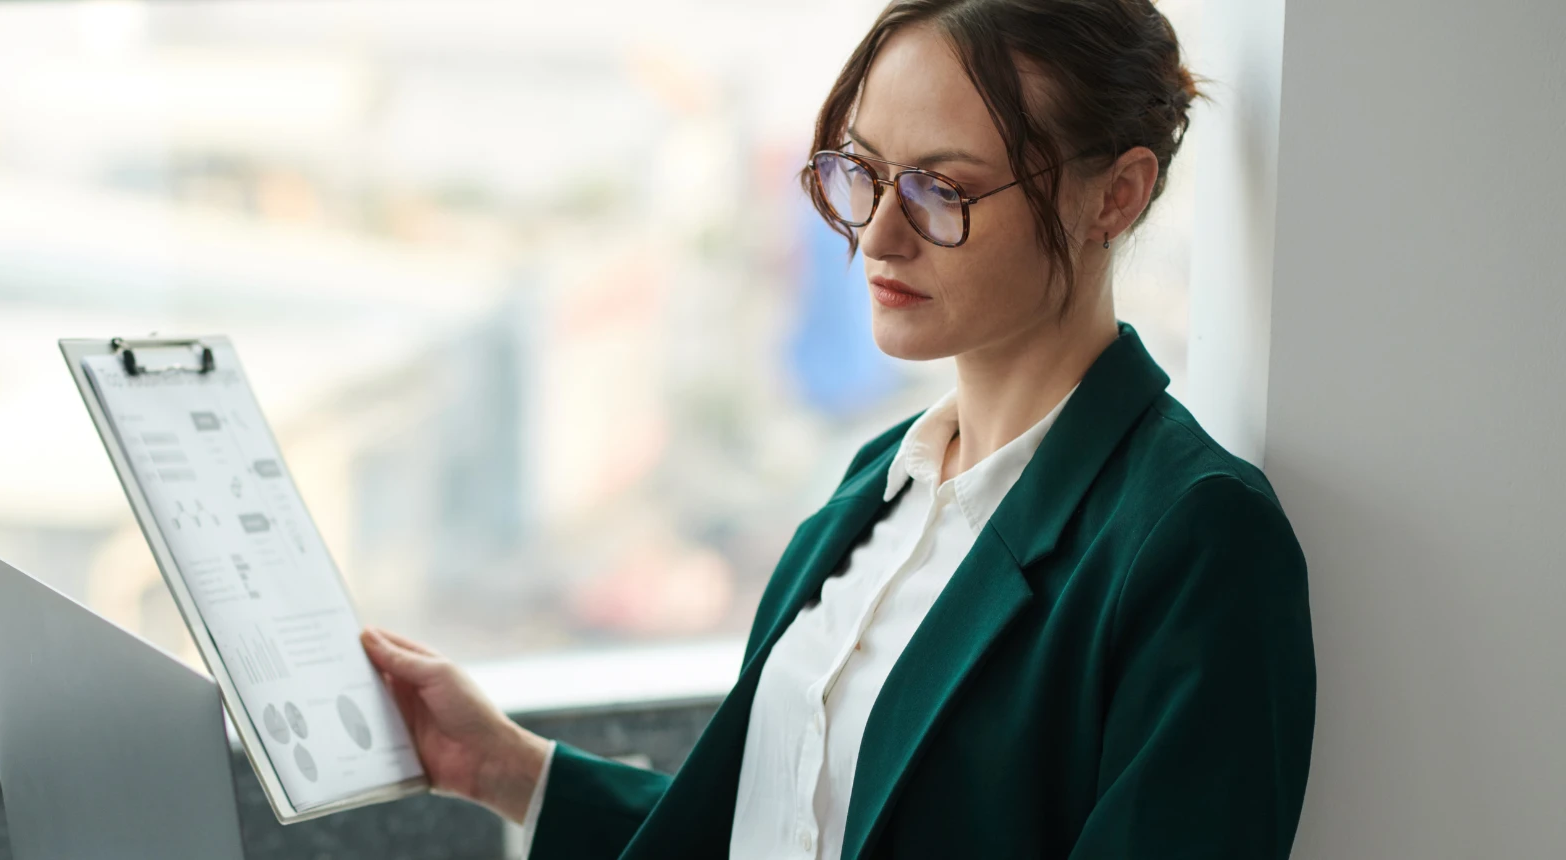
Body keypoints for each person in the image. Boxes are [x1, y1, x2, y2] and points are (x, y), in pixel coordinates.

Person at [361, 1, 1316, 857]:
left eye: (944, 191)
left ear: (1116, 195)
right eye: (863, 174)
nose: (875, 237)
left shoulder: (1194, 540)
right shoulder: (878, 488)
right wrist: (510, 768)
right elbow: (781, 827)